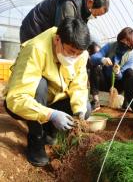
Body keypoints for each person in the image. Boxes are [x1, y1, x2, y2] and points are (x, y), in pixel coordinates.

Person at [4, 18, 91, 167]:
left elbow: (79, 85)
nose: (74, 57)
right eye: (71, 52)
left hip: (54, 99)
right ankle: (36, 139)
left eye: (78, 54)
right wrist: (51, 114)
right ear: (57, 39)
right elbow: (17, 98)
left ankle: (50, 134)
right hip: (28, 100)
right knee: (40, 84)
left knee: (86, 107)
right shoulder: (36, 49)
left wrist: (79, 110)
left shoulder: (80, 54)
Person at [20, 0, 109, 43]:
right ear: (90, 2)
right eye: (96, 14)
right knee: (33, 63)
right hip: (33, 30)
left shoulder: (83, 10)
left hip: (44, 33)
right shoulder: (69, 5)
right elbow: (64, 34)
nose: (95, 17)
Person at [90, 27, 133, 111]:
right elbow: (93, 58)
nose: (125, 44)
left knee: (130, 72)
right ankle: (95, 101)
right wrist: (102, 59)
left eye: (128, 44)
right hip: (104, 82)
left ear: (131, 46)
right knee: (95, 66)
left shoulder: (130, 57)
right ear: (119, 38)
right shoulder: (110, 46)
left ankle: (126, 104)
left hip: (118, 86)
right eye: (123, 41)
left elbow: (123, 77)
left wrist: (118, 73)